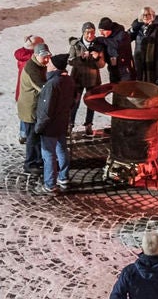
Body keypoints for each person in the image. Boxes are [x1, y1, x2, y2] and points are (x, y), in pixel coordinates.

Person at [34, 52, 78, 193]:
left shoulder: (52, 84)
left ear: (55, 67)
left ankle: (50, 184)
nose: (48, 64)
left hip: (51, 126)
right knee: (62, 150)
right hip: (62, 122)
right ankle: (63, 177)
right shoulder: (69, 81)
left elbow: (46, 110)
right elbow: (72, 102)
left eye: (51, 63)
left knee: (49, 155)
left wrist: (39, 126)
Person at [15, 42, 50, 175]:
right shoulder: (31, 69)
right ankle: (29, 163)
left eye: (48, 56)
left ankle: (38, 159)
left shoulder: (39, 65)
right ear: (36, 55)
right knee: (32, 137)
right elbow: (42, 87)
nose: (47, 59)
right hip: (30, 109)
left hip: (35, 107)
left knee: (36, 135)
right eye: (44, 57)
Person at [71, 23, 108, 132]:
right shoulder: (76, 44)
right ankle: (70, 124)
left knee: (91, 103)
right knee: (74, 102)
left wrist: (97, 58)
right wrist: (80, 59)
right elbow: (70, 61)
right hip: (77, 78)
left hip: (92, 79)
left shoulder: (99, 45)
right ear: (83, 33)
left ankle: (88, 124)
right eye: (88, 32)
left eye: (92, 32)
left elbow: (102, 64)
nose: (90, 35)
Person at [132, 8, 158, 83]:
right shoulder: (139, 27)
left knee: (151, 80)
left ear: (153, 16)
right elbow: (128, 37)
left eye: (148, 14)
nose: (145, 17)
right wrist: (134, 28)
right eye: (143, 15)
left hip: (153, 59)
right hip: (139, 57)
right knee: (140, 78)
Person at [97, 17, 135, 83]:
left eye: (103, 31)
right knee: (115, 89)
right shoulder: (107, 39)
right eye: (100, 31)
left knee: (125, 90)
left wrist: (103, 40)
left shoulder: (123, 35)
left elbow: (118, 45)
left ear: (109, 29)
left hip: (125, 70)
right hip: (113, 69)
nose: (101, 33)